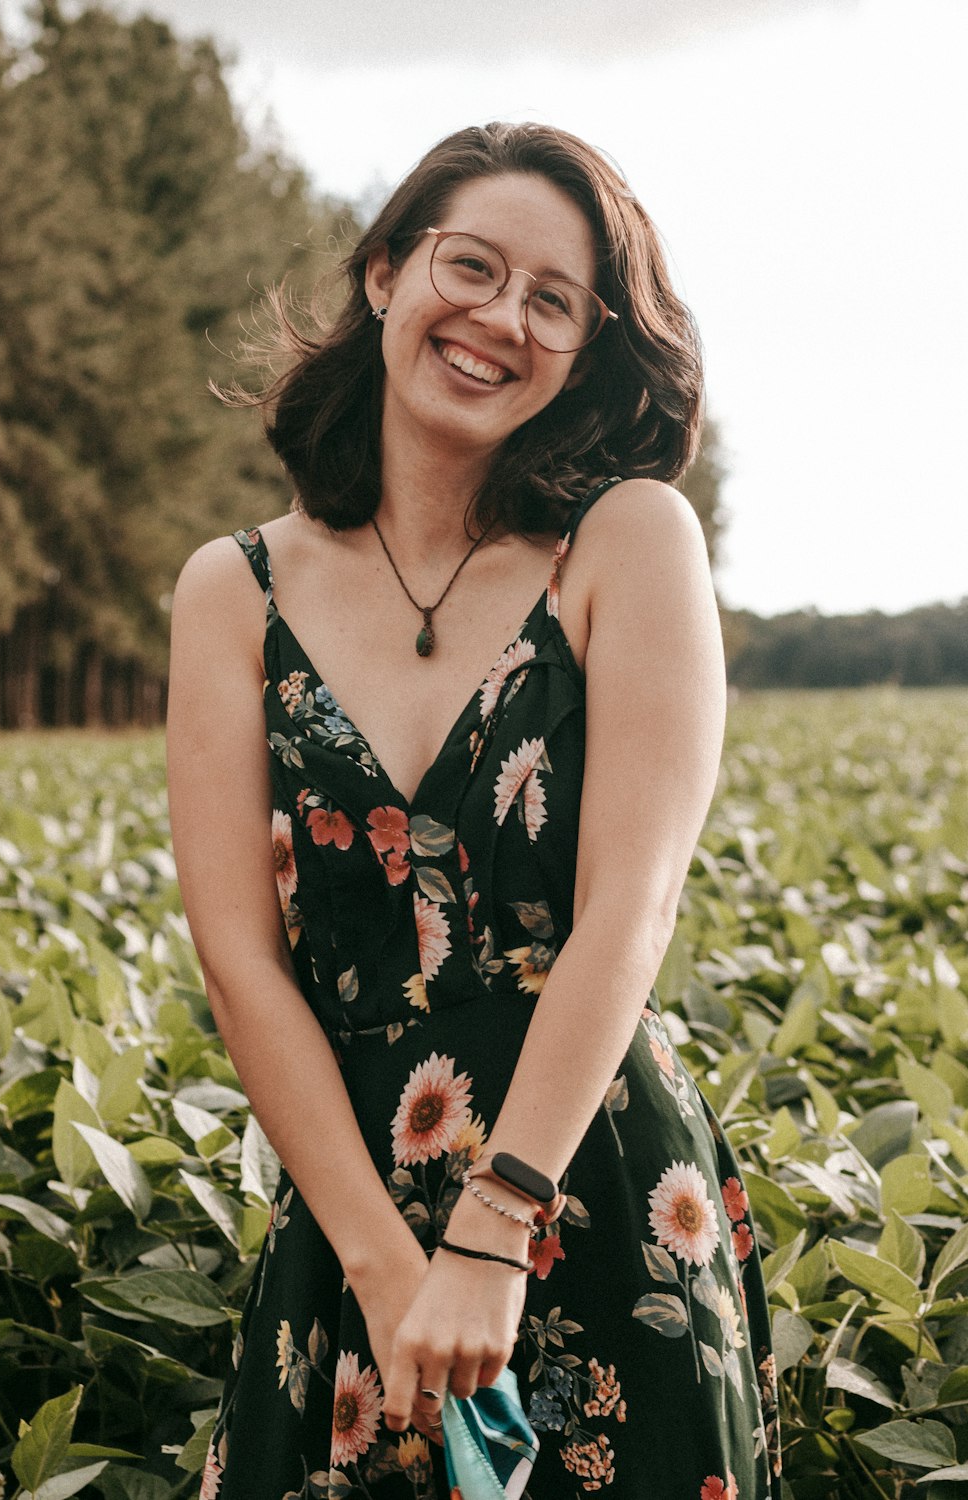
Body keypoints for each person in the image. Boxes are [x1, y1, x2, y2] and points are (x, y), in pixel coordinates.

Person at [167, 120, 782, 1500]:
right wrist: (388, 1266)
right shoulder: (234, 591)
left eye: (552, 301)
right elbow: (240, 960)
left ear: (586, 348)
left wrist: (499, 1223)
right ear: (388, 272)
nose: (499, 317)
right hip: (350, 1208)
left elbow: (632, 907)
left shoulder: (625, 542)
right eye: (472, 266)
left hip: (592, 1186)